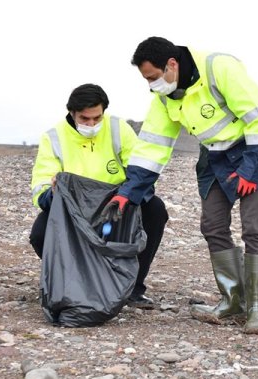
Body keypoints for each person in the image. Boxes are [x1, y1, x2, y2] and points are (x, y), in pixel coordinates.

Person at [97, 37, 258, 334]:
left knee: (253, 228)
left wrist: (250, 169)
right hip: (215, 158)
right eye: (146, 80)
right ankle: (233, 300)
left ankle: (257, 308)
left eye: (153, 78)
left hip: (254, 151)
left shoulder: (220, 67)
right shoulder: (165, 97)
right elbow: (153, 147)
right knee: (212, 226)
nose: (151, 86)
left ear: (171, 65)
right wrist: (127, 194)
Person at [29, 83, 168, 307]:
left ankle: (132, 288)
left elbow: (138, 169)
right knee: (40, 234)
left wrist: (127, 197)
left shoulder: (118, 127)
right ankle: (78, 283)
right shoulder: (53, 137)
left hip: (115, 204)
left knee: (155, 210)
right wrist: (53, 192)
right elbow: (40, 188)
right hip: (73, 209)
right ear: (72, 113)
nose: (92, 124)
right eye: (84, 119)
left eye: (97, 118)